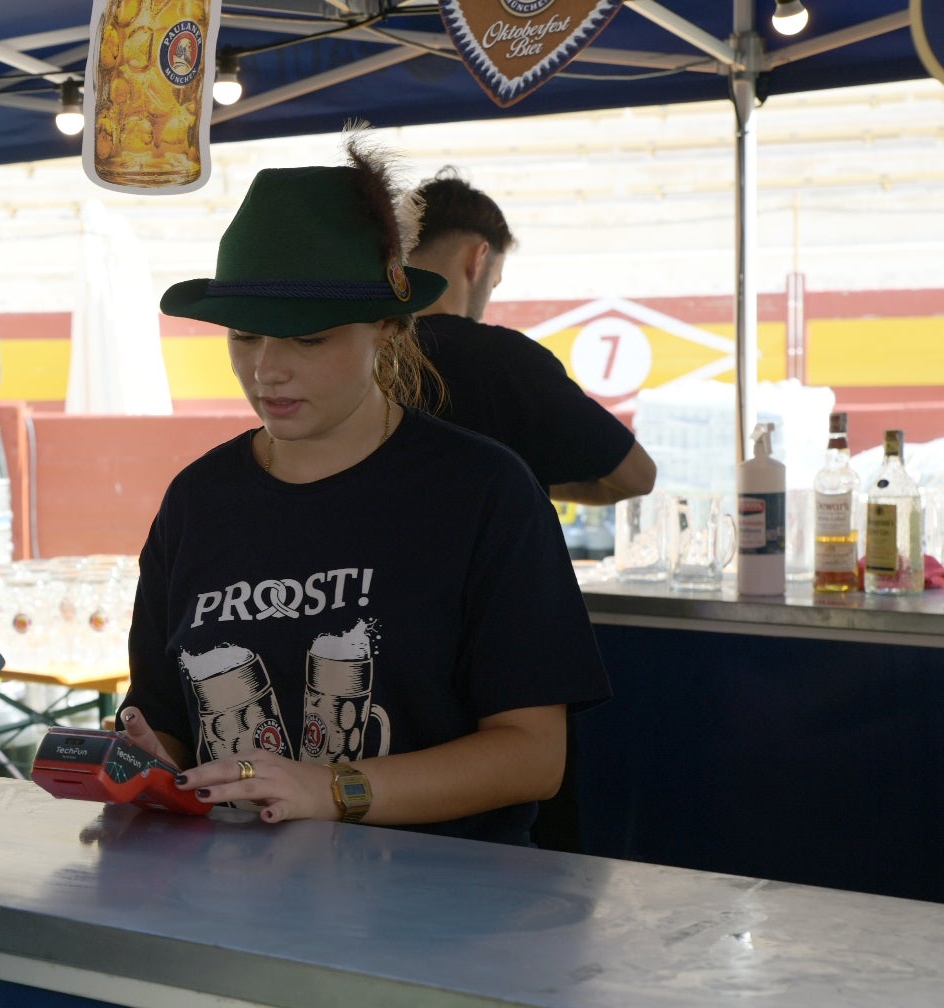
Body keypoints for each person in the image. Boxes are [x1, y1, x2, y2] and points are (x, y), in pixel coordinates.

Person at [117, 135, 611, 845]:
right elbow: (165, 718)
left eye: (308, 340)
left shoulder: (482, 491)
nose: (267, 371)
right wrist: (147, 760)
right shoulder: (199, 500)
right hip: (233, 906)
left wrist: (331, 789)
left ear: (387, 325)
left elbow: (533, 755)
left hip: (446, 912)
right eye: (244, 339)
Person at [408, 168, 657, 506]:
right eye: (495, 282)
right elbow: (638, 476)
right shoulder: (507, 361)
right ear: (478, 258)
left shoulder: (359, 353)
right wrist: (530, 484)